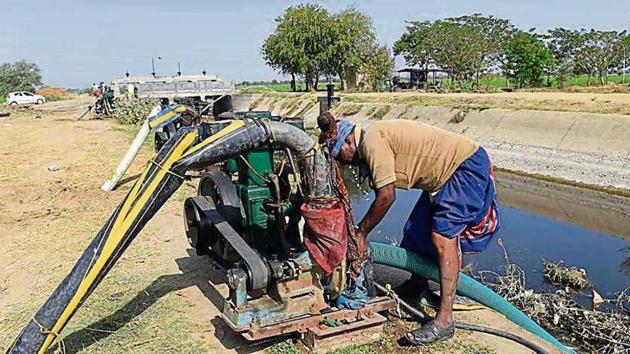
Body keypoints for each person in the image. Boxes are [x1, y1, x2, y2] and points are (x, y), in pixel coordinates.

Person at [328, 116, 500, 345]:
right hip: (443, 177)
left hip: (463, 166)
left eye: (341, 156)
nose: (344, 164)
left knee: (442, 236)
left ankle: (445, 321)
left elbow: (387, 196)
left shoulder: (371, 141)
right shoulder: (372, 140)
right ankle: (418, 284)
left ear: (349, 141)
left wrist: (361, 232)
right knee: (415, 232)